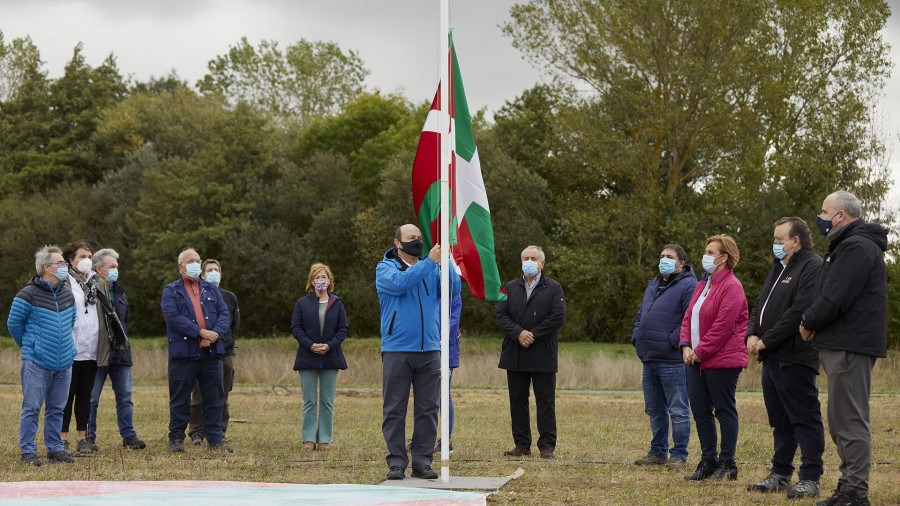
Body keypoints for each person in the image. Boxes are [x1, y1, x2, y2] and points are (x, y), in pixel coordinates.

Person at [799, 191, 887, 506]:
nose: (820, 217)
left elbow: (835, 296)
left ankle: (855, 492)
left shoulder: (856, 247)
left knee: (849, 420)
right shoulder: (848, 246)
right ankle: (847, 485)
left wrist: (809, 321)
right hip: (842, 343)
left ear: (840, 215)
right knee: (839, 420)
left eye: (824, 211)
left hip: (851, 345)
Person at [745, 218, 824, 499]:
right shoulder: (779, 267)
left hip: (794, 356)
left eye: (780, 239)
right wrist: (752, 334)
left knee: (804, 419)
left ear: (796, 241)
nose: (776, 244)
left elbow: (798, 311)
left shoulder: (812, 266)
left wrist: (768, 339)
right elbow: (760, 304)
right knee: (780, 420)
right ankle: (780, 473)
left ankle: (811, 477)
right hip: (771, 357)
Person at [376, 224, 460, 481]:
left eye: (419, 238)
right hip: (397, 350)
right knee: (394, 409)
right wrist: (429, 264)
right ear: (397, 242)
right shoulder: (386, 268)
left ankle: (422, 461)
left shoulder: (431, 267)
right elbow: (401, 284)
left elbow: (452, 290)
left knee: (428, 409)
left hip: (430, 349)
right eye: (411, 238)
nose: (417, 242)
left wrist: (447, 264)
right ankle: (397, 462)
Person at [679, 234, 748, 481]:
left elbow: (723, 327)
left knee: (724, 410)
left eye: (710, 252)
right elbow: (688, 317)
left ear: (724, 257)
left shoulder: (732, 286)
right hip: (695, 360)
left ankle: (727, 463)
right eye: (706, 251)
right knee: (700, 411)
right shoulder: (703, 284)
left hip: (722, 360)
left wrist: (700, 351)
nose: (705, 256)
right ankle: (707, 461)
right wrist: (686, 346)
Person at [8, 245, 77, 465]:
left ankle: (55, 449)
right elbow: (14, 324)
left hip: (64, 362)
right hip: (37, 362)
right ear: (47, 267)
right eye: (61, 264)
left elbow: (71, 323)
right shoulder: (27, 294)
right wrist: (31, 346)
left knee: (57, 408)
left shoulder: (68, 294)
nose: (65, 267)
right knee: (32, 408)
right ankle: (28, 451)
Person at [631, 244, 697, 471]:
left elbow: (690, 319)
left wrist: (673, 341)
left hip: (672, 359)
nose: (663, 260)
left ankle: (679, 454)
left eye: (669, 257)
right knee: (654, 408)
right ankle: (657, 451)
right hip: (649, 357)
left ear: (681, 263)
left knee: (677, 409)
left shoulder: (689, 285)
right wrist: (637, 337)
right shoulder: (653, 285)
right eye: (661, 256)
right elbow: (641, 315)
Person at [497, 245, 566, 460]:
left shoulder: (554, 288)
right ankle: (521, 444)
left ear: (542, 263)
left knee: (545, 401)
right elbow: (501, 316)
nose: (529, 261)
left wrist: (532, 335)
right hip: (514, 353)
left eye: (533, 258)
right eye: (525, 257)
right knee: (517, 400)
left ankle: (546, 446)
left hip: (542, 353)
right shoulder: (506, 288)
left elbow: (557, 317)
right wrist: (518, 333)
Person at [161, 248, 232, 453]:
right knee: (180, 398)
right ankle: (176, 437)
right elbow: (173, 318)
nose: (195, 264)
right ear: (181, 266)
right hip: (184, 354)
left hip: (211, 353)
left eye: (198, 261)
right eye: (191, 261)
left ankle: (215, 438)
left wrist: (213, 335)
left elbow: (224, 315)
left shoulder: (211, 289)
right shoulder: (171, 290)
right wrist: (200, 333)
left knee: (214, 397)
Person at [87, 248, 146, 450]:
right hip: (97, 352)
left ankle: (129, 436)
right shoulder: (89, 290)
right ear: (98, 268)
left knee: (125, 397)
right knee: (92, 397)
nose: (115, 270)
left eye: (116, 267)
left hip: (120, 352)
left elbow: (124, 322)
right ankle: (88, 436)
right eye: (112, 267)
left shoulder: (119, 292)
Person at [292, 263, 349, 451]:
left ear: (330, 280)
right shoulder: (302, 303)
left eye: (323, 277)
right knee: (310, 400)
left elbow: (343, 329)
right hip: (307, 357)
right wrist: (310, 345)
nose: (320, 281)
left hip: (331, 357)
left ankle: (324, 438)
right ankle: (309, 438)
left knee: (326, 400)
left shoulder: (337, 303)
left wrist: (329, 345)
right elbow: (296, 327)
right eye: (317, 277)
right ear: (311, 281)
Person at [189, 259, 240, 446]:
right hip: (199, 351)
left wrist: (222, 341)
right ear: (202, 275)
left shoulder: (230, 297)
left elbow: (234, 326)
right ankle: (196, 431)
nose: (213, 273)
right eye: (209, 270)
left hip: (224, 353)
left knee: (222, 395)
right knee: (198, 394)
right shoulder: (194, 295)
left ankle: (219, 431)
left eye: (216, 270)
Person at [61, 240, 100, 456]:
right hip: (70, 348)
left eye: (90, 257)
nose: (87, 261)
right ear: (70, 260)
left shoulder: (95, 281)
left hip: (91, 347)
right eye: (82, 257)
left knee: (85, 394)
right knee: (67, 395)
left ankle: (82, 438)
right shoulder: (65, 281)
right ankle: (62, 438)